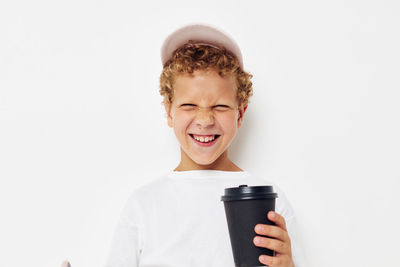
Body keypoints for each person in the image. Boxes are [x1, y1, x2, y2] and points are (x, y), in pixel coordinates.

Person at [104, 23, 305, 267]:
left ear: (240, 114)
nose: (204, 120)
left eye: (220, 107)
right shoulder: (144, 204)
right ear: (169, 112)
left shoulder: (269, 200)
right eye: (189, 105)